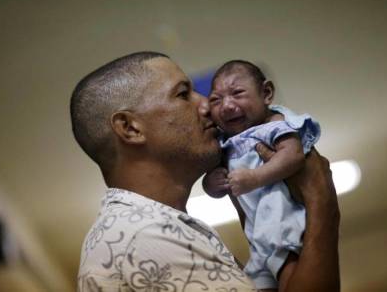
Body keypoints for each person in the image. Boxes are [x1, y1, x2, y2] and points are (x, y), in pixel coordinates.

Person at [70, 51, 340, 292]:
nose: (207, 106)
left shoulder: (146, 229)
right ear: (130, 127)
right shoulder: (144, 237)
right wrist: (321, 202)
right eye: (183, 94)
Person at [203, 60, 321, 290]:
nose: (226, 105)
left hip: (283, 224)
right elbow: (215, 187)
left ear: (266, 93)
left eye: (237, 93)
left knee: (289, 275)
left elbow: (293, 156)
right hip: (257, 237)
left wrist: (256, 178)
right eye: (216, 100)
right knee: (258, 282)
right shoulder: (224, 142)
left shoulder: (274, 124)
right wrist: (212, 183)